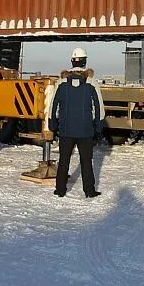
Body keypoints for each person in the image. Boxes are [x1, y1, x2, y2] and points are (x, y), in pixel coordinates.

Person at [46, 49, 106, 198]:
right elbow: (99, 106)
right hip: (85, 131)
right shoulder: (91, 82)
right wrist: (98, 127)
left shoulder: (61, 83)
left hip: (66, 130)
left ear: (72, 61)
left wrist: (52, 125)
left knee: (63, 161)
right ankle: (89, 191)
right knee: (86, 161)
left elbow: (52, 106)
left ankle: (60, 190)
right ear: (85, 61)